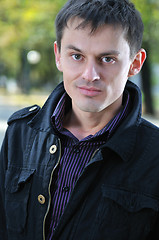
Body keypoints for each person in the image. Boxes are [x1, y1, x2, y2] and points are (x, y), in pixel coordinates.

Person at [1, 0, 159, 239]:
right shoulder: (20, 133)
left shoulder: (155, 155)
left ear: (134, 63)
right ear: (58, 56)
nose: (90, 75)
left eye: (107, 59)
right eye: (77, 56)